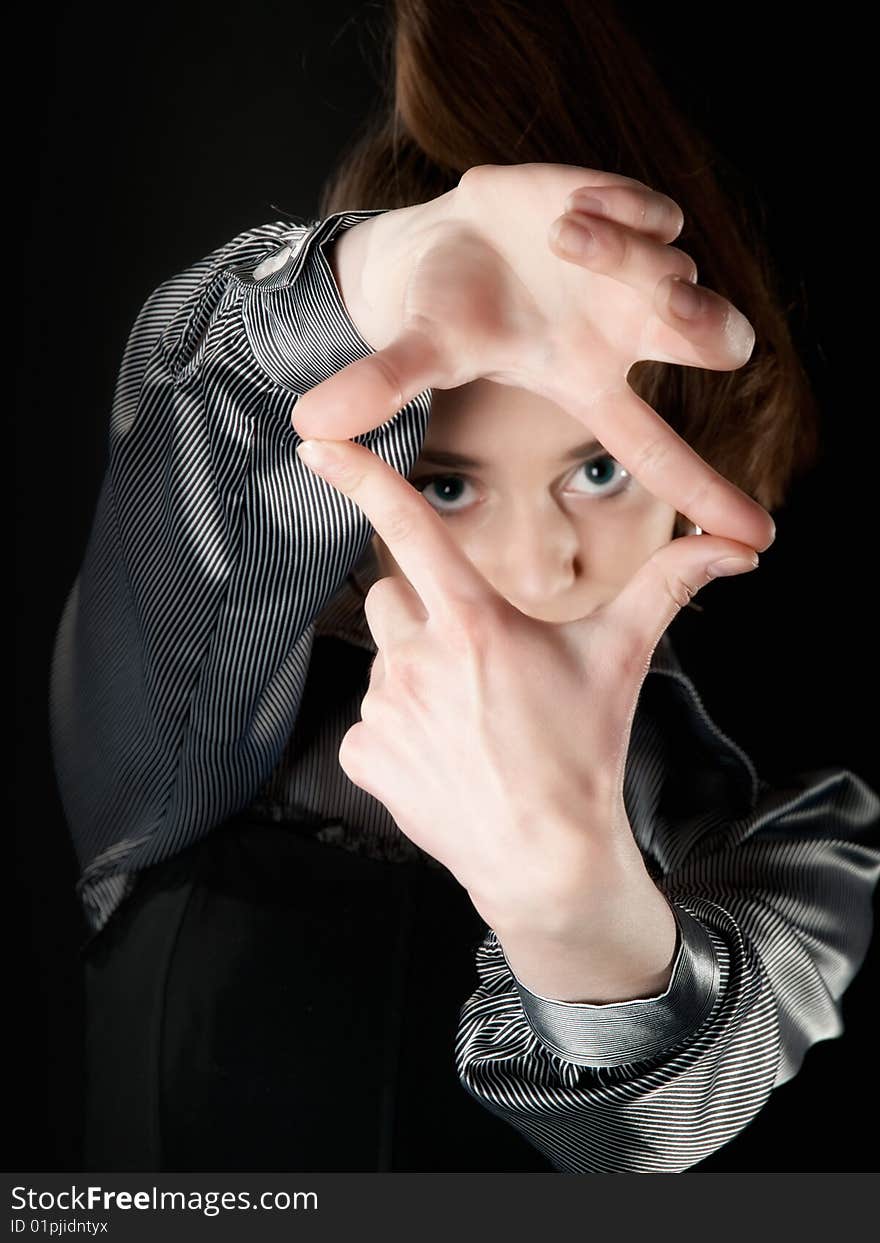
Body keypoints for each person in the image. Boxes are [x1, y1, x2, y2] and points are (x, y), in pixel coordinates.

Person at [48, 0, 880, 1174]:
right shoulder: (188, 727)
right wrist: (380, 277)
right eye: (448, 485)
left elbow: (662, 1118)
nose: (541, 565)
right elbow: (213, 414)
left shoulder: (797, 837)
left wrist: (581, 917)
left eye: (596, 467)